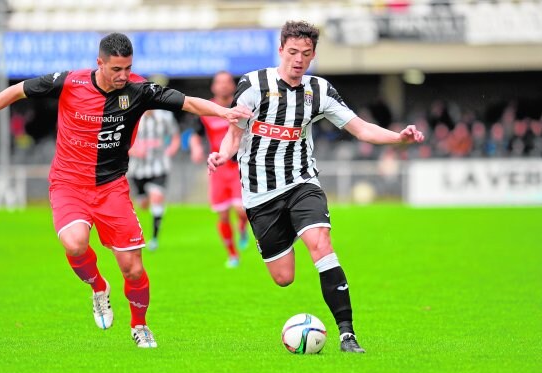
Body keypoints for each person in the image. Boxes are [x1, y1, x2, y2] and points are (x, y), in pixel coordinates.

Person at [0, 32, 251, 349]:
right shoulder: (68, 82)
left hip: (111, 188)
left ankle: (140, 326)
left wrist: (224, 112)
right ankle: (99, 287)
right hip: (68, 184)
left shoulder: (139, 90)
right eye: (116, 69)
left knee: (133, 269)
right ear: (99, 63)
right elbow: (16, 91)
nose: (123, 76)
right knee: (75, 245)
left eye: (127, 68)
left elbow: (186, 102)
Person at [207, 21, 424, 353]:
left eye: (306, 54)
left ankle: (347, 334)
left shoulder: (319, 90)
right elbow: (235, 134)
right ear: (280, 50)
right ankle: (293, 232)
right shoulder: (252, 85)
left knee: (321, 244)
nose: (298, 60)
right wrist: (222, 155)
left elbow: (361, 129)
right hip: (260, 194)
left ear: (313, 56)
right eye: (293, 52)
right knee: (284, 277)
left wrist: (398, 138)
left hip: (301, 182)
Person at [188, 71, 249, 268]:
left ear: (233, 86)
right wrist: (196, 147)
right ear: (213, 87)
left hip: (239, 167)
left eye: (227, 82)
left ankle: (242, 226)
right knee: (222, 214)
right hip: (218, 170)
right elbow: (194, 134)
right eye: (219, 82)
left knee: (241, 210)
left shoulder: (242, 108)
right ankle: (232, 255)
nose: (223, 86)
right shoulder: (208, 110)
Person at [129, 107, 181, 251]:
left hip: (159, 166)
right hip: (137, 168)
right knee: (143, 204)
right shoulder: (132, 115)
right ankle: (143, 200)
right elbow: (122, 141)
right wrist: (133, 150)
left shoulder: (165, 116)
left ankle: (154, 238)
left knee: (157, 198)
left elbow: (175, 136)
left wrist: (171, 149)